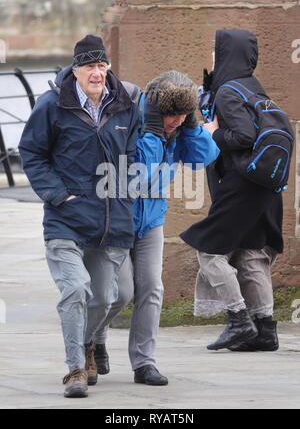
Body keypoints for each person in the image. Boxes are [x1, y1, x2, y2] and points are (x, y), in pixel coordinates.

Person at [18, 35, 139, 398]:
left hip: (111, 219)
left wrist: (126, 190)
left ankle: (87, 342)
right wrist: (58, 195)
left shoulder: (128, 104)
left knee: (106, 298)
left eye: (102, 65)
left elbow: (131, 153)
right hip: (65, 218)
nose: (97, 72)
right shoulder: (52, 105)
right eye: (89, 66)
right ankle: (74, 369)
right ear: (75, 70)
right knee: (74, 289)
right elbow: (31, 153)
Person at [88, 71, 220, 385]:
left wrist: (191, 127)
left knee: (151, 288)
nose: (175, 120)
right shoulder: (130, 119)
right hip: (117, 218)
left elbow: (203, 157)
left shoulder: (180, 125)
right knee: (118, 293)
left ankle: (144, 363)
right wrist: (152, 132)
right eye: (170, 115)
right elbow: (138, 178)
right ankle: (92, 339)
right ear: (156, 109)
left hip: (151, 220)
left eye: (182, 115)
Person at [180, 29, 283, 352]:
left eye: (217, 50)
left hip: (241, 186)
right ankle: (265, 329)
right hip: (264, 186)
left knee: (209, 250)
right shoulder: (253, 87)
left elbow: (242, 136)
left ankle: (239, 321)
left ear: (227, 55)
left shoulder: (227, 91)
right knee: (251, 253)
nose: (212, 56)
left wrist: (213, 133)